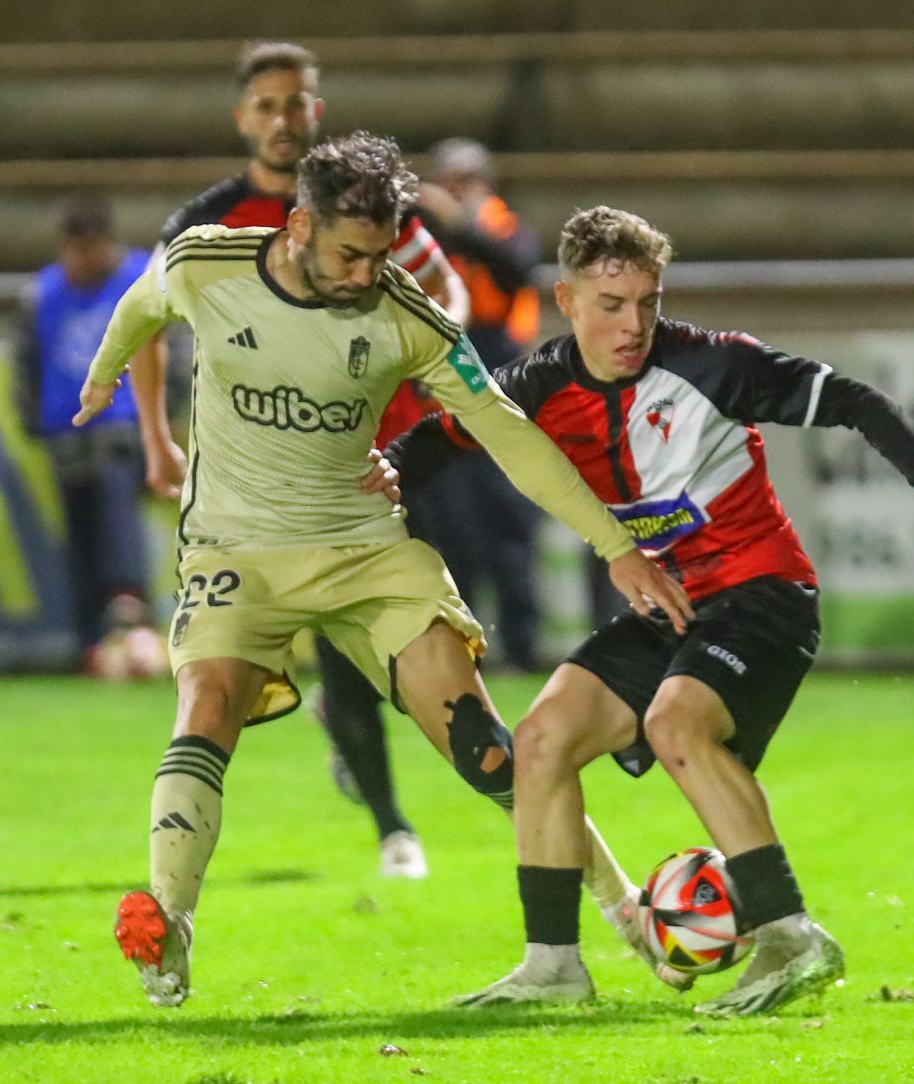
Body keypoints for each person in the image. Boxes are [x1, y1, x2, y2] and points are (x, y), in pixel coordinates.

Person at [75, 135, 694, 1008]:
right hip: (235, 553)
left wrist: (614, 546)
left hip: (365, 552)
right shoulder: (206, 263)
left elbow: (510, 432)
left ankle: (628, 916)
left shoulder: (405, 315)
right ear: (298, 226)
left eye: (381, 254)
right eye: (348, 254)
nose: (366, 273)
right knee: (207, 703)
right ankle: (167, 922)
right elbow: (140, 307)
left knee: (485, 753)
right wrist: (107, 381)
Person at [387, 206, 914, 1016]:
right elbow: (436, 443)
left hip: (763, 595)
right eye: (611, 305)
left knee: (677, 723)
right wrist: (369, 485)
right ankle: (552, 964)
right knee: (540, 739)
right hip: (669, 607)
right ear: (566, 299)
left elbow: (855, 399)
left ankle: (788, 934)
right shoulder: (534, 386)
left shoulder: (711, 365)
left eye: (647, 302)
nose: (633, 325)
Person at [136, 40, 474, 877]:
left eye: (298, 103)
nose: (284, 119)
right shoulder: (208, 222)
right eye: (268, 105)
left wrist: (441, 358)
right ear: (242, 118)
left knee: (413, 650)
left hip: (382, 460)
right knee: (339, 655)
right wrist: (156, 432)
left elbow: (448, 288)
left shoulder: (361, 202)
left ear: (316, 109)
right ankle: (395, 828)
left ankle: (394, 796)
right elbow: (141, 314)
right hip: (267, 484)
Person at [12, 198, 163, 673]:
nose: (81, 262)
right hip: (65, 428)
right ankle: (89, 640)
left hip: (124, 423)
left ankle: (127, 598)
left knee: (116, 498)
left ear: (106, 245)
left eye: (89, 250)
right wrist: (32, 419)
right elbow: (28, 362)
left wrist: (168, 411)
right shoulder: (42, 294)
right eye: (73, 251)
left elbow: (172, 346)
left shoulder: (142, 280)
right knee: (77, 533)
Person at [417, 139, 546, 671]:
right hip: (444, 373)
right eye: (448, 182)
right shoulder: (423, 242)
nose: (456, 193)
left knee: (508, 518)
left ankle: (521, 644)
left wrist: (458, 226)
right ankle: (463, 639)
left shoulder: (506, 231)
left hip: (499, 369)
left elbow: (517, 273)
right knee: (453, 523)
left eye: (465, 182)